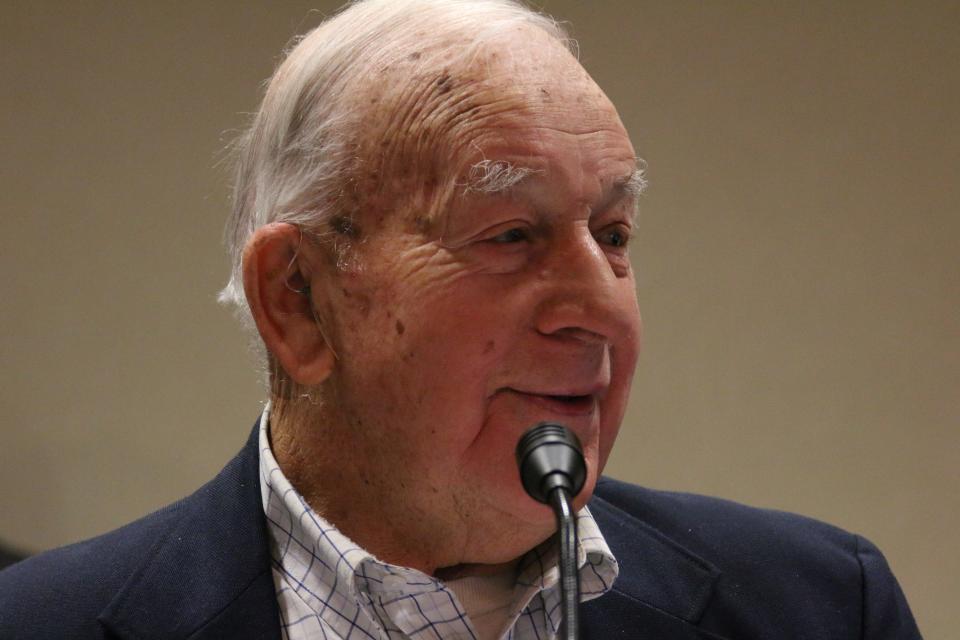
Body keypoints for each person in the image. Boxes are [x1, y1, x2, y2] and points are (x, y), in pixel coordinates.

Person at [0, 1, 921, 638]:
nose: (600, 307)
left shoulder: (821, 607)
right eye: (512, 235)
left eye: (614, 234)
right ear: (298, 299)